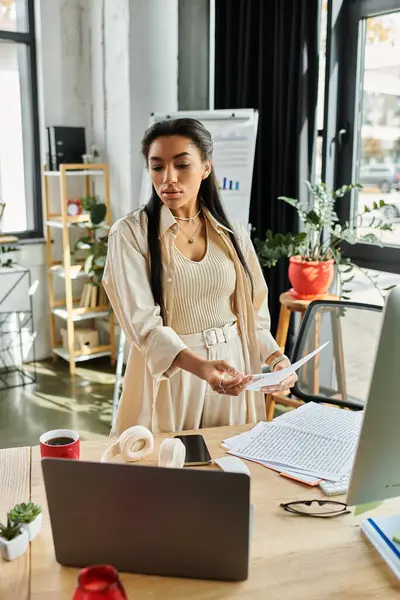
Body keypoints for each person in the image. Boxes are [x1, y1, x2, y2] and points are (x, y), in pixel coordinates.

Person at [103, 118, 297, 435]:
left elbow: (252, 310)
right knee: (172, 471)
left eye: (182, 165)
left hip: (235, 366)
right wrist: (203, 368)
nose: (168, 178)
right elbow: (143, 326)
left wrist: (276, 359)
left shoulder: (231, 231)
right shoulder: (129, 234)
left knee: (232, 465)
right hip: (175, 371)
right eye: (157, 167)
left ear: (205, 167)